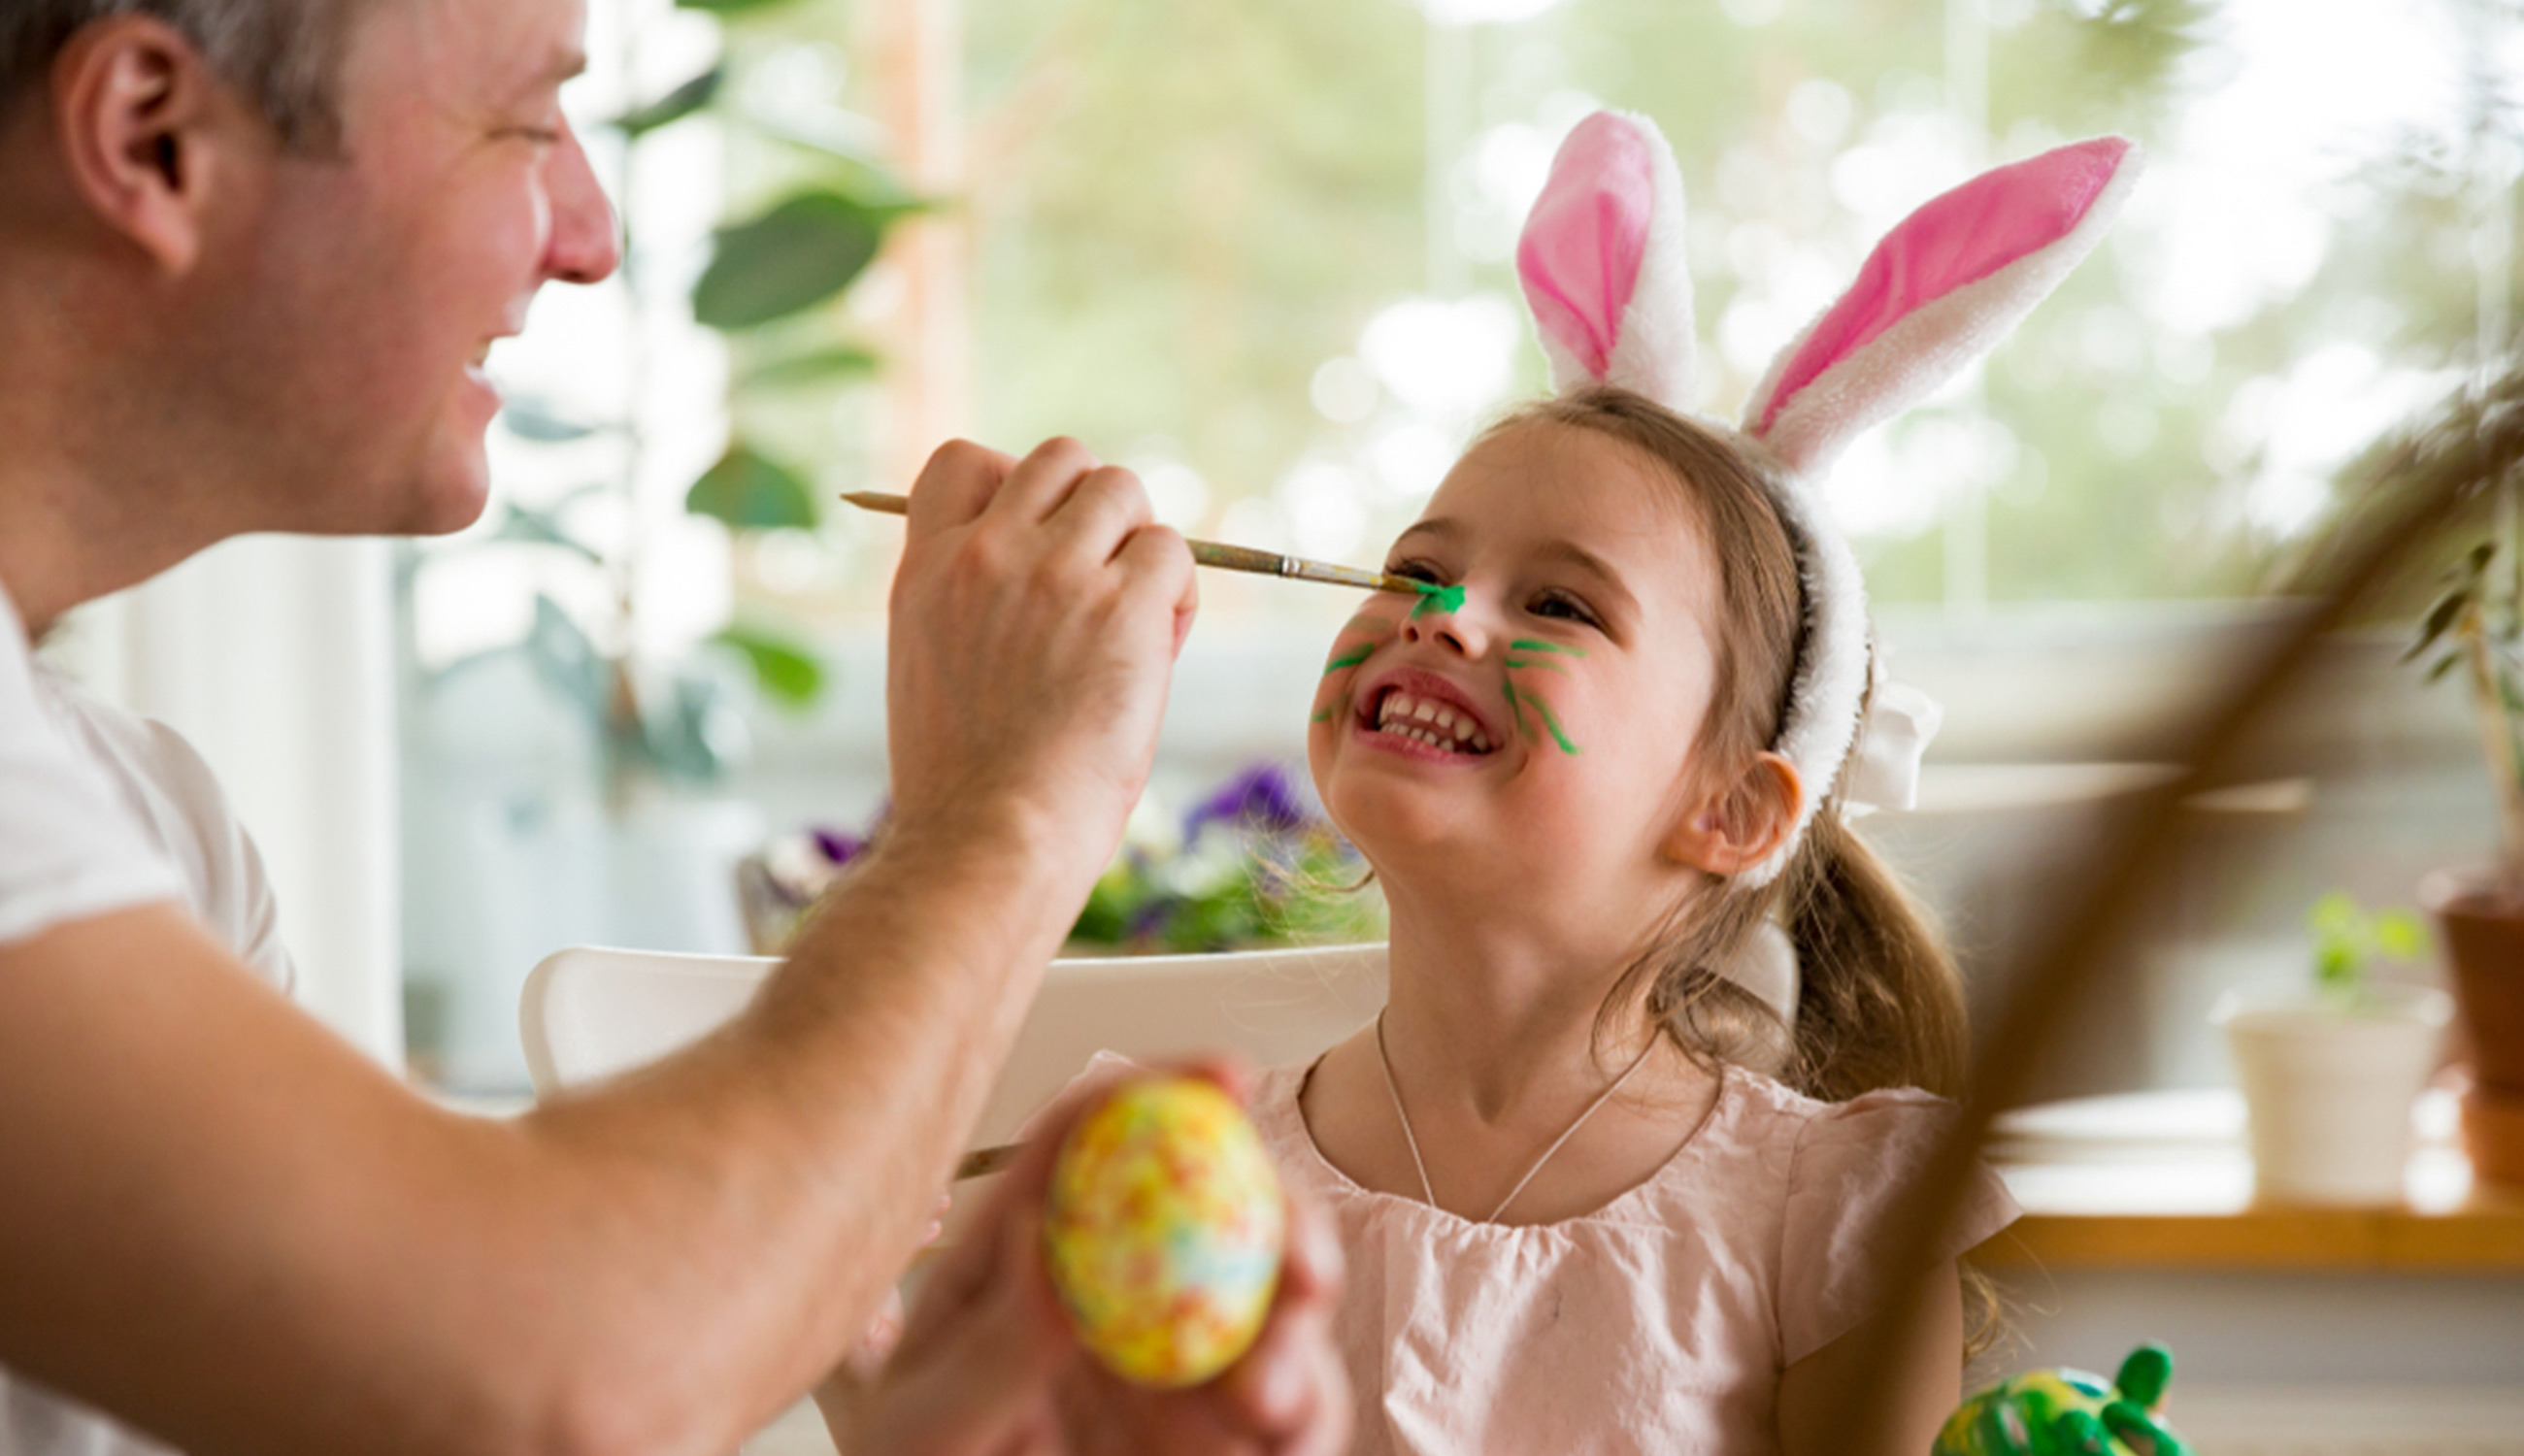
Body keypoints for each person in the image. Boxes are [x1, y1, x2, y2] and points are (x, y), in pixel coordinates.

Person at [0, 2, 1346, 1453]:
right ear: (151, 133)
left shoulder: (154, 827)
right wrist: (1010, 807)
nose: (591, 237)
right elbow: (552, 1371)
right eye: (525, 122)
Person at [1247, 113, 2142, 1454]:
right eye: (1415, 568)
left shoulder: (1823, 1216)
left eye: (1557, 601)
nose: (1440, 616)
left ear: (1730, 810)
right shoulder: (1191, 1171)